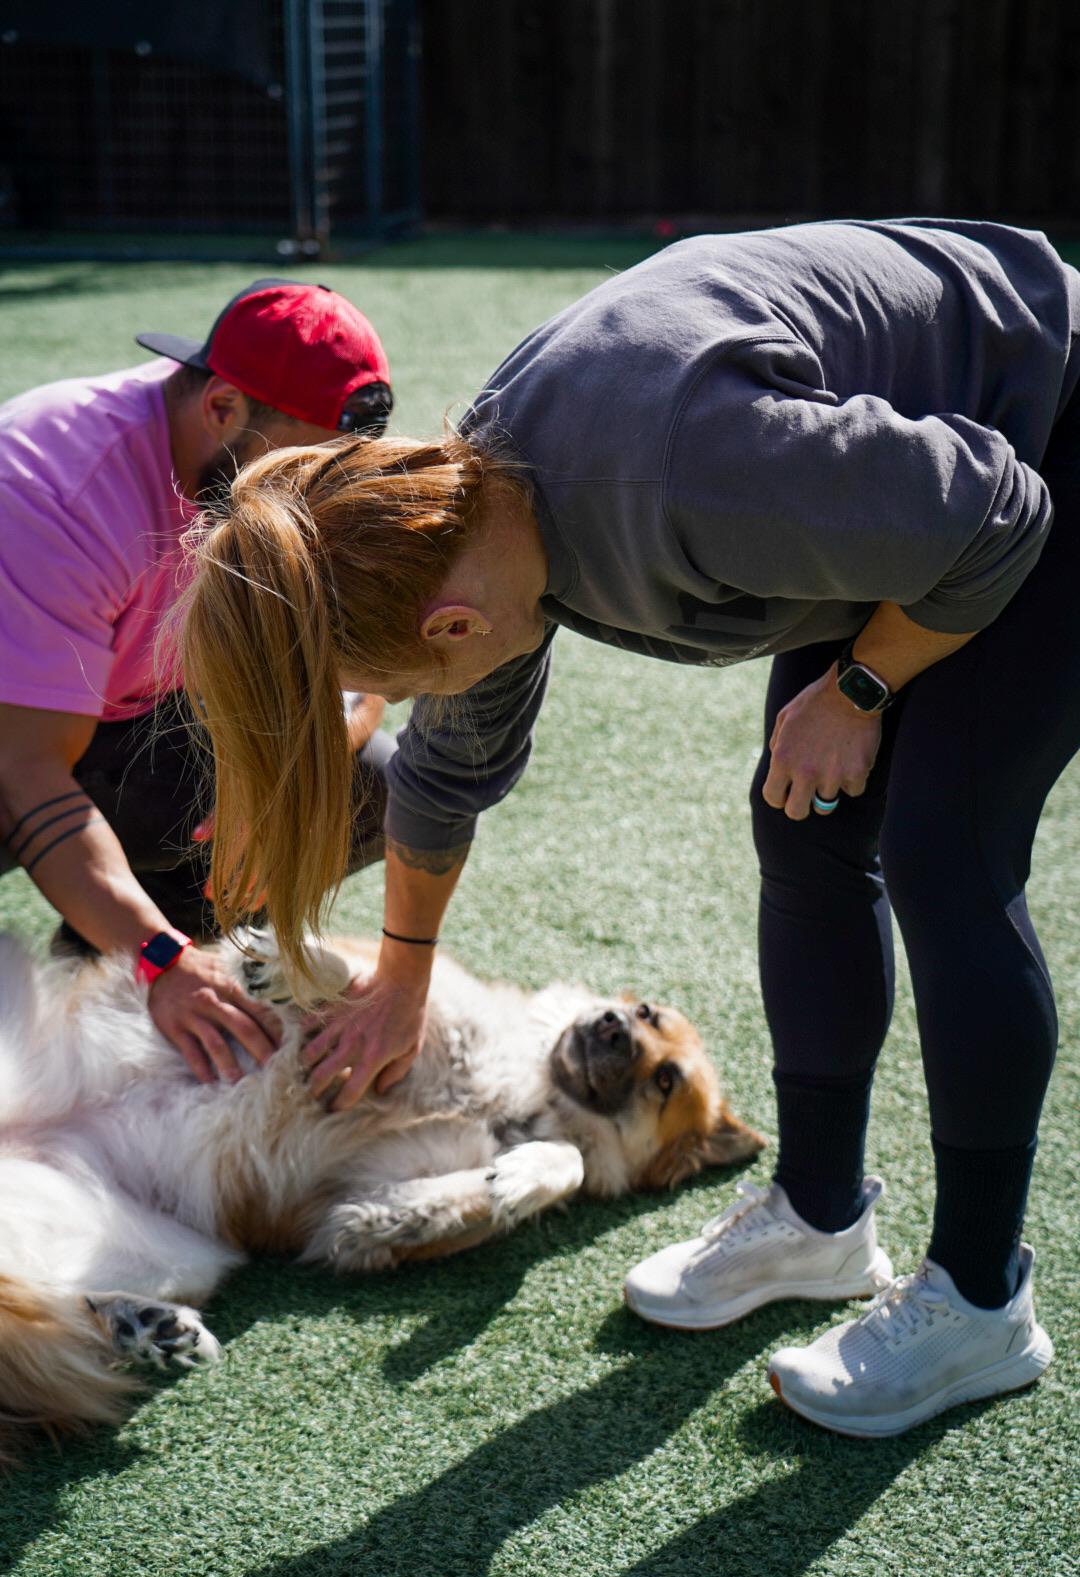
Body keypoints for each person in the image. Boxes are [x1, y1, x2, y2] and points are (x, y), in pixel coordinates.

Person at [175, 221, 1079, 1436]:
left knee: (943, 855)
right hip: (881, 480)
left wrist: (861, 687)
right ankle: (820, 1216)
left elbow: (1001, 514)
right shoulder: (471, 523)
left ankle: (979, 1300)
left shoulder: (691, 477)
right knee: (806, 829)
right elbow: (448, 771)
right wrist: (403, 970)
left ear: (448, 630)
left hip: (1043, 446)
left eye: (402, 680)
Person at [0, 279, 396, 1084]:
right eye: (299, 467)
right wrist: (159, 959)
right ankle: (146, 948)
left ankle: (103, 950)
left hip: (112, 716)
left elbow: (358, 679)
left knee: (366, 785)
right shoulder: (58, 488)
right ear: (221, 407)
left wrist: (271, 781)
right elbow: (27, 768)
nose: (312, 501)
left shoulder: (277, 473)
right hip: (16, 738)